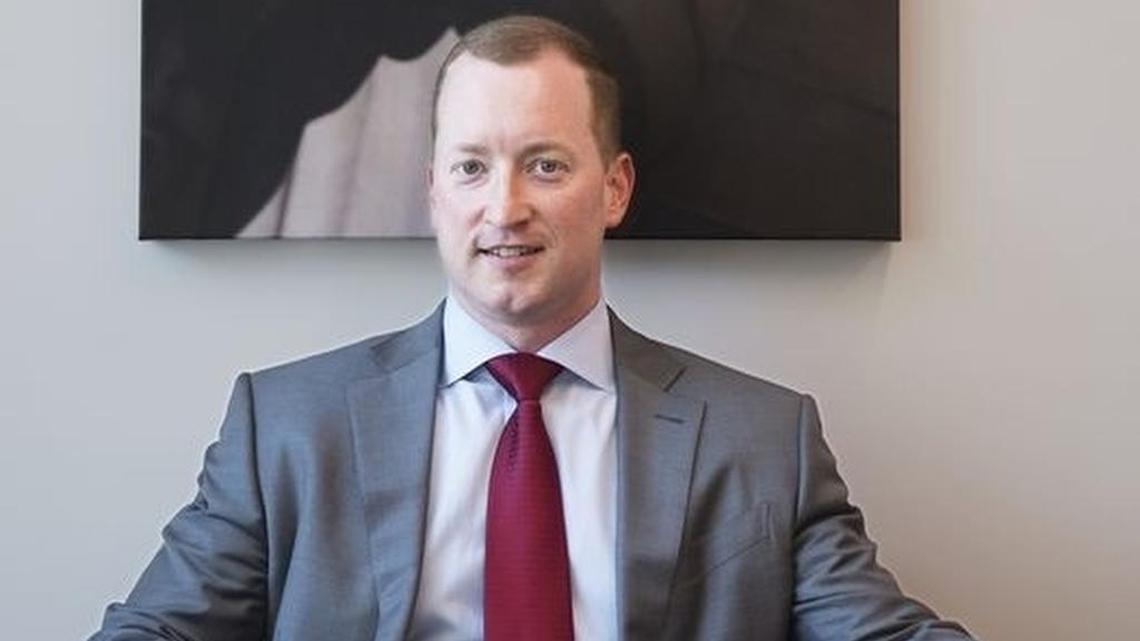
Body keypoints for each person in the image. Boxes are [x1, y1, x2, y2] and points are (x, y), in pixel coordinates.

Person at [93, 15, 975, 641]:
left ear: (615, 189)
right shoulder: (284, 425)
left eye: (545, 165)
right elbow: (158, 628)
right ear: (434, 190)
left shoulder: (762, 439)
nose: (504, 207)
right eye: (471, 167)